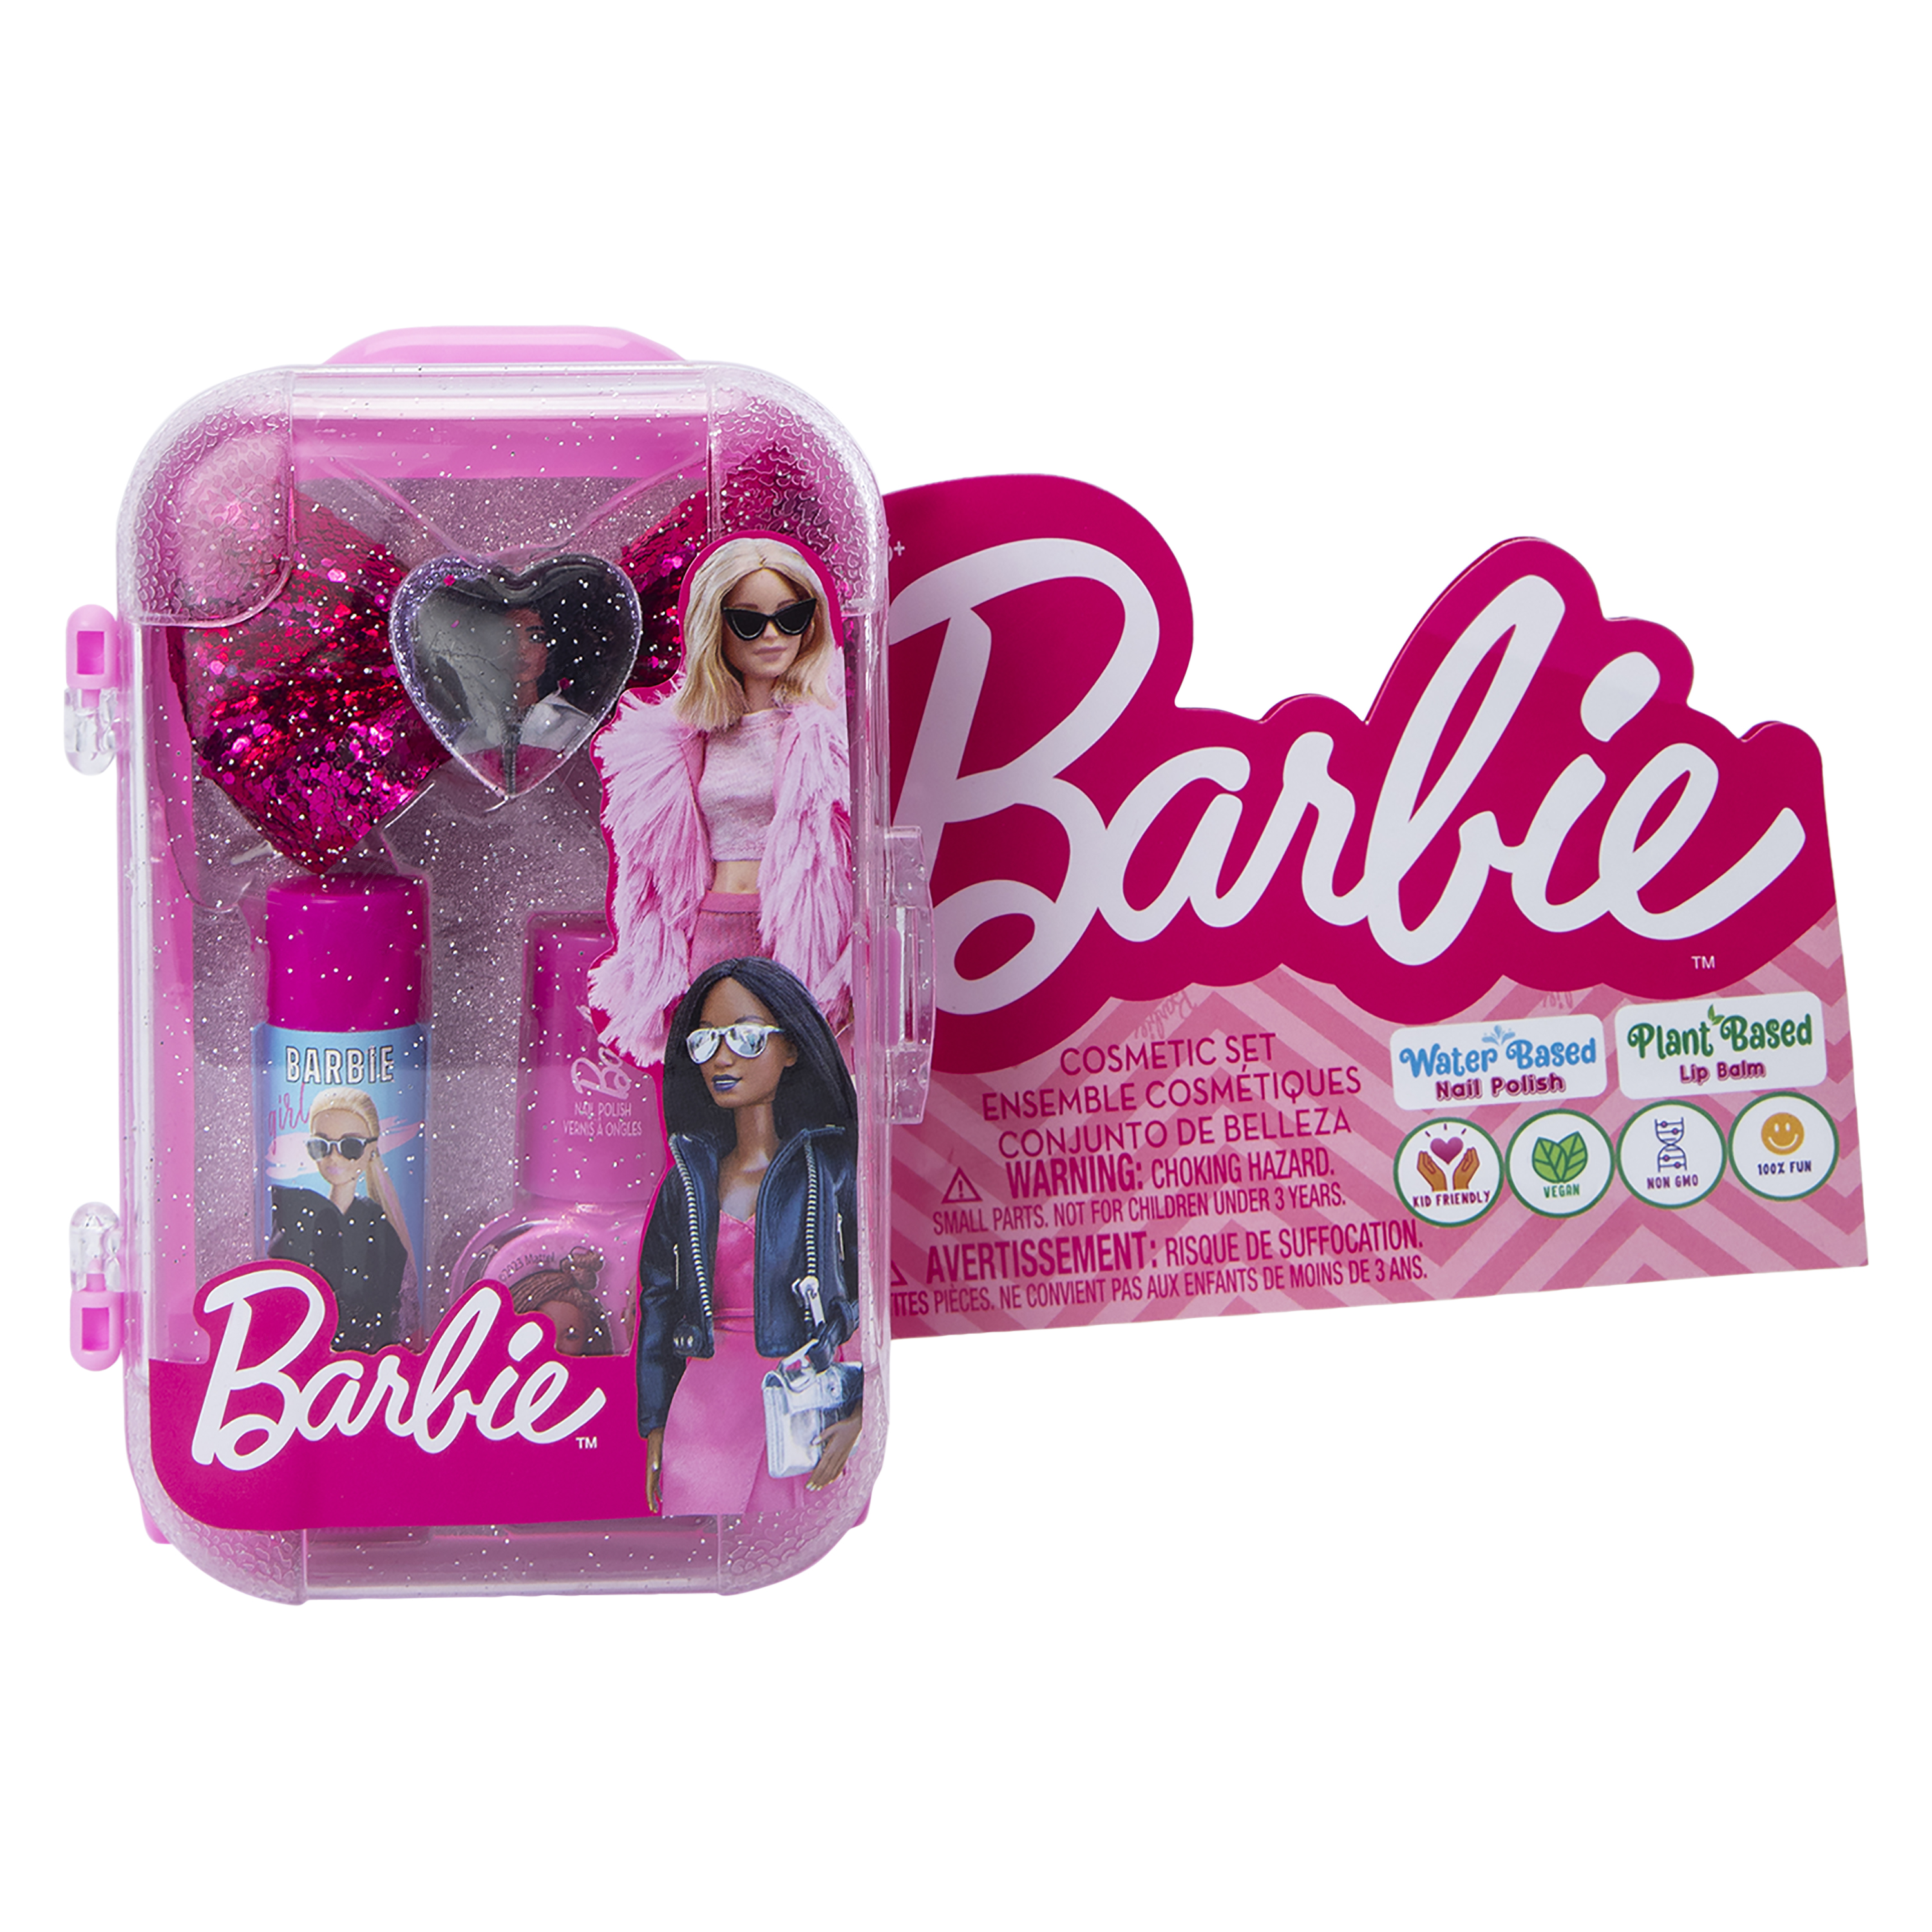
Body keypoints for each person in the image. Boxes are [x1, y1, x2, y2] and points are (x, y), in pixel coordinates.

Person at [591, 535, 850, 1068]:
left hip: (799, 930)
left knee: (799, 1072)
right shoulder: (684, 741)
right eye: (750, 622)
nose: (773, 636)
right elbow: (652, 875)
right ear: (716, 627)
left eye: (791, 617)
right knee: (718, 1071)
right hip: (715, 924)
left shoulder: (831, 735)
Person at [635, 957, 862, 1515]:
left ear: (791, 1048)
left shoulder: (829, 1168)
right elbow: (659, 1300)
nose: (723, 1058)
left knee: (800, 1526)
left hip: (802, 1397)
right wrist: (656, 1419)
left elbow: (868, 1289)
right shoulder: (689, 1179)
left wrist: (862, 1406)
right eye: (706, 1041)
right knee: (701, 1531)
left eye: (746, 1038)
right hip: (704, 1408)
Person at [268, 1089, 414, 1352]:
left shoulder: (379, 1226)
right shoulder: (295, 1215)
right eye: (321, 1146)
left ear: (371, 1149)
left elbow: (393, 1309)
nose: (334, 1157)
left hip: (370, 1358)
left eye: (350, 1147)